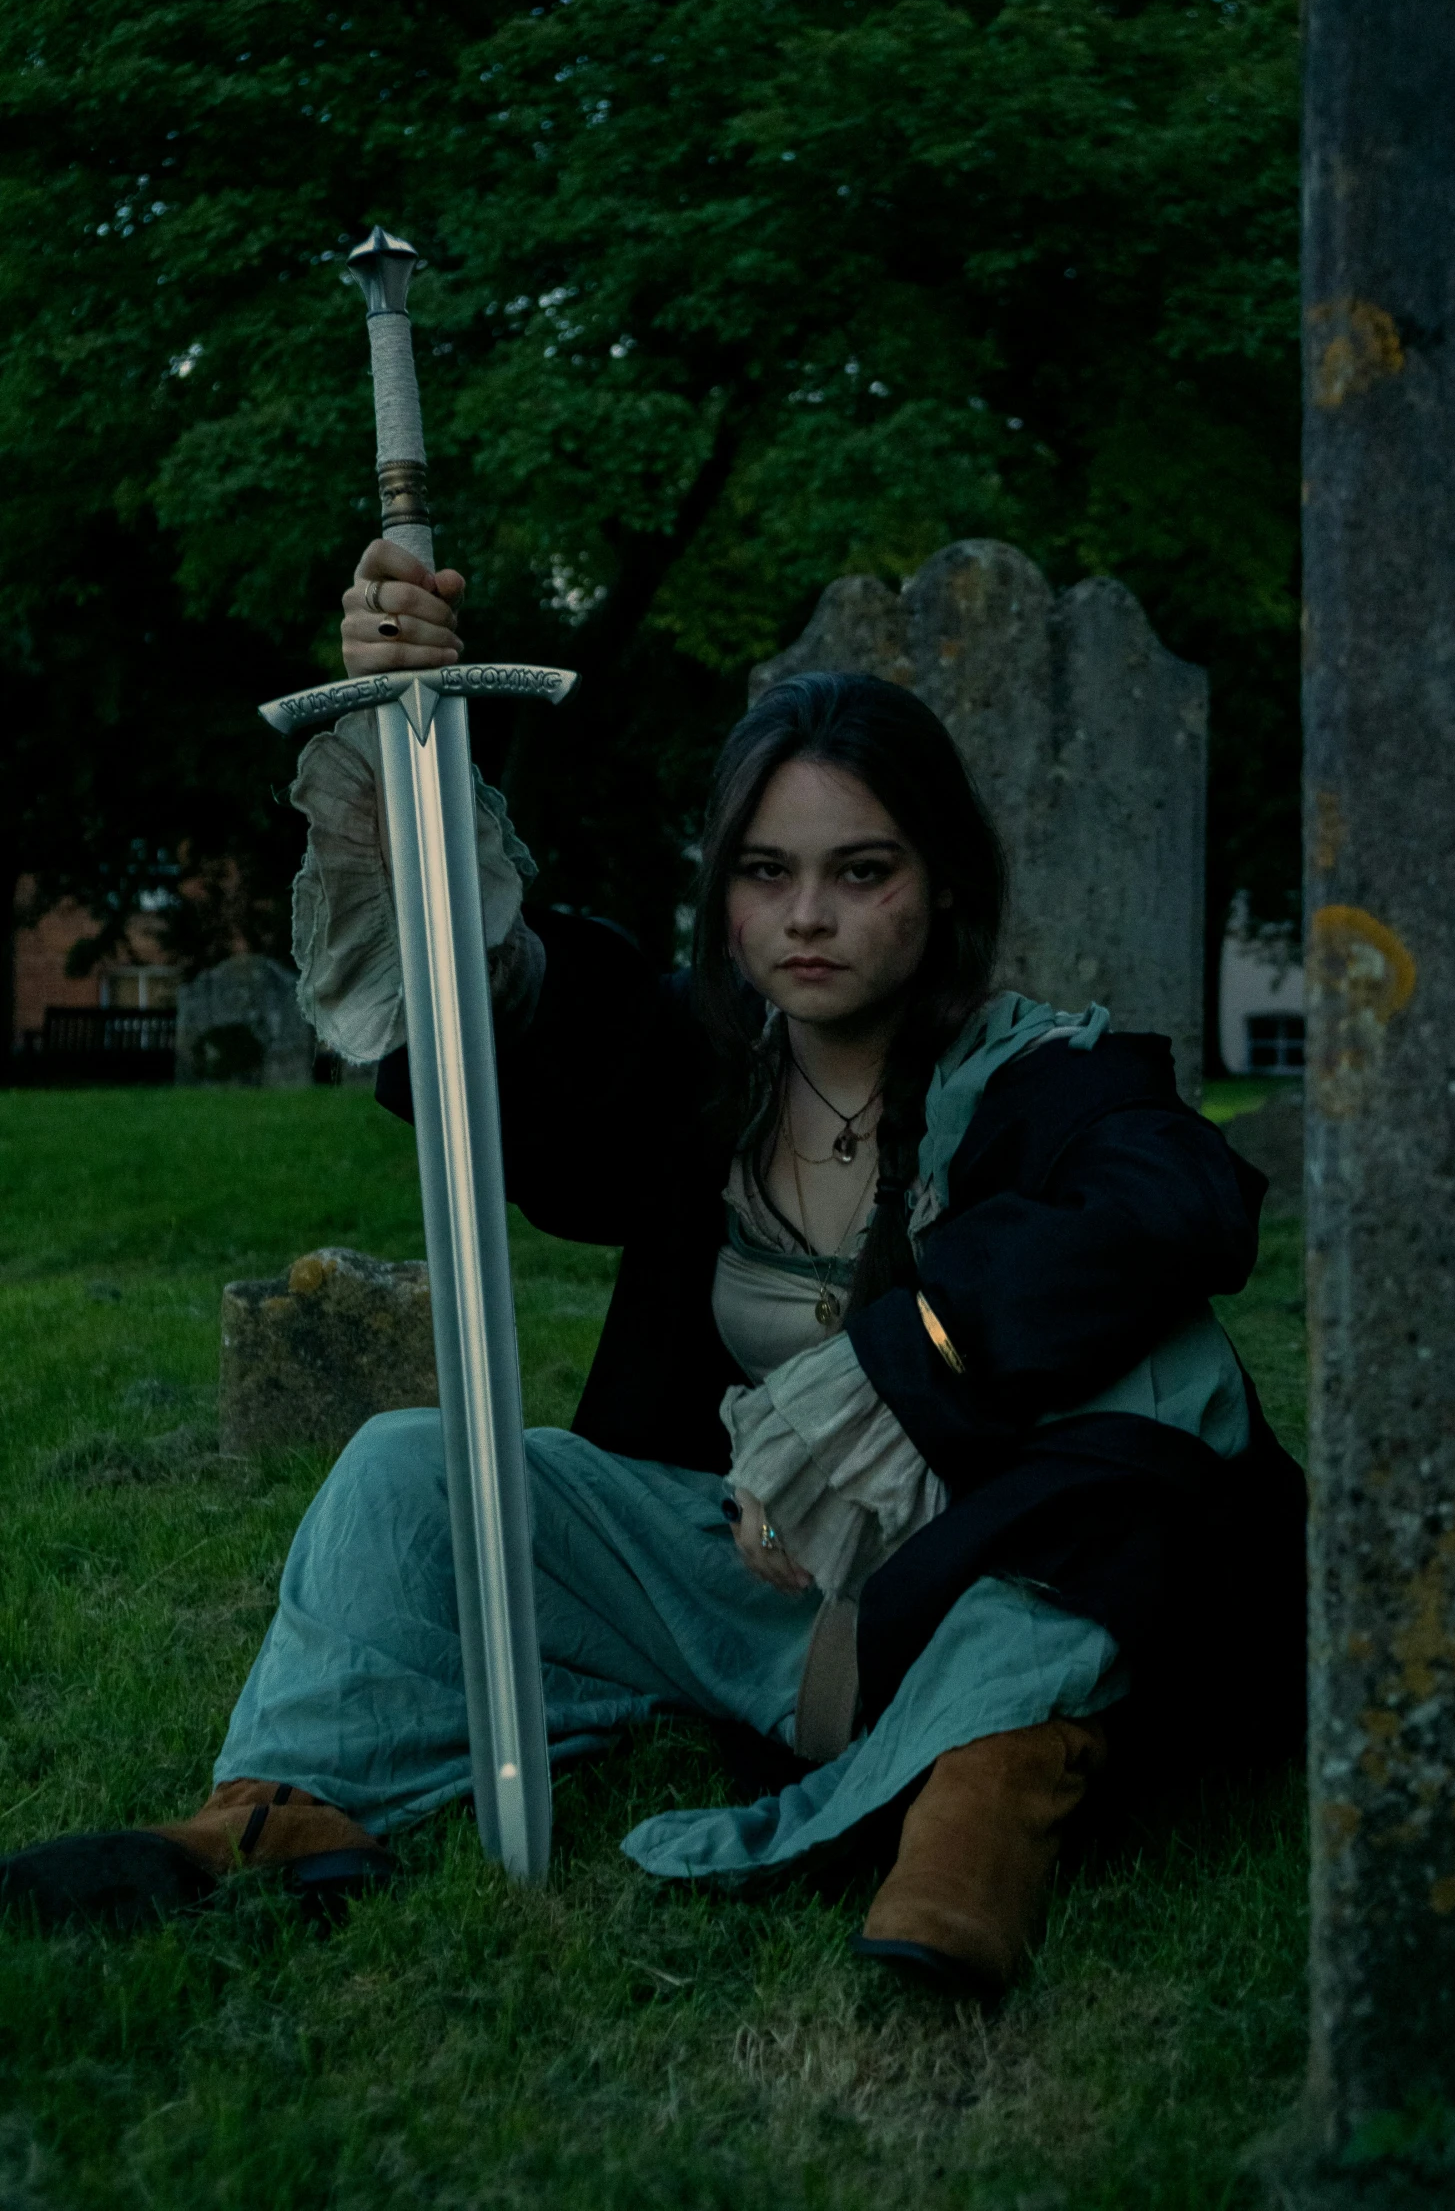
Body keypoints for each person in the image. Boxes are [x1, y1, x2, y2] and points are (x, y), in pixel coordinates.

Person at [0, 542, 1306, 1993]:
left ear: (940, 886)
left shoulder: (1043, 1076)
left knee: (1133, 1462)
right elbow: (500, 1007)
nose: (807, 916)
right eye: (768, 872)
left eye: (859, 871)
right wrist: (404, 729)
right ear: (727, 896)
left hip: (991, 1589)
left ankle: (977, 1816)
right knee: (398, 1470)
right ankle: (281, 1809)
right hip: (755, 1579)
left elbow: (1183, 1203)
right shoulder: (700, 1064)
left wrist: (910, 1357)